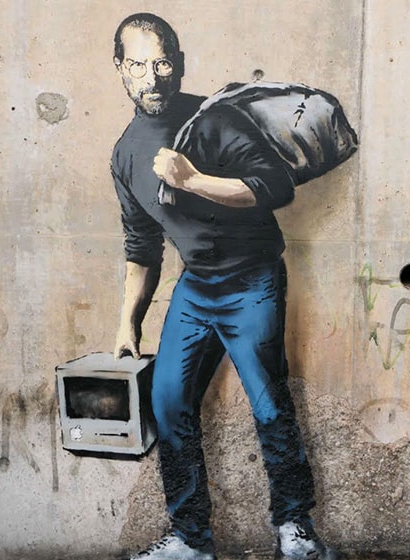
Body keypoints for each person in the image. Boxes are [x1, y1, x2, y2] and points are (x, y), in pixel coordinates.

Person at [109, 12, 335, 560]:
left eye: (162, 62)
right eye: (137, 64)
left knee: (268, 404)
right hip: (196, 288)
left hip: (252, 277)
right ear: (120, 70)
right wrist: (126, 324)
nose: (152, 76)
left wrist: (194, 180)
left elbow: (276, 187)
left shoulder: (215, 119)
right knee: (168, 405)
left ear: (179, 64)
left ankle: (295, 529)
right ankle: (190, 538)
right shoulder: (125, 153)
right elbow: (141, 247)